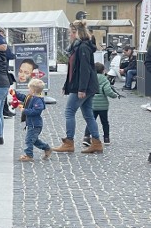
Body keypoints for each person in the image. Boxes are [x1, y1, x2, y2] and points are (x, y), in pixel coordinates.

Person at [53, 20, 102, 154]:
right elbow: (73, 69)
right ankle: (96, 143)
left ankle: (69, 142)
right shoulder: (79, 47)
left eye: (70, 33)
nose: (69, 35)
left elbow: (85, 70)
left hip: (83, 87)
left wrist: (82, 89)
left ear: (76, 33)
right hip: (84, 86)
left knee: (69, 112)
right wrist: (66, 85)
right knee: (88, 114)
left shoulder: (82, 47)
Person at [82, 63, 119, 147]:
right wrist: (115, 95)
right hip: (103, 106)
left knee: (91, 121)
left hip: (92, 104)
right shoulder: (105, 80)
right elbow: (108, 91)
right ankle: (106, 138)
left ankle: (87, 137)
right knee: (105, 122)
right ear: (103, 71)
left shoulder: (90, 79)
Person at [16, 79, 52, 162]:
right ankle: (47, 148)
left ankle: (29, 155)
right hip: (32, 124)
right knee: (34, 140)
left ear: (33, 90)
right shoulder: (31, 97)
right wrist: (15, 93)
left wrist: (24, 110)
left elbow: (36, 111)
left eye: (29, 89)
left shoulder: (38, 100)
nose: (28, 91)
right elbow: (24, 98)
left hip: (35, 125)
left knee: (29, 140)